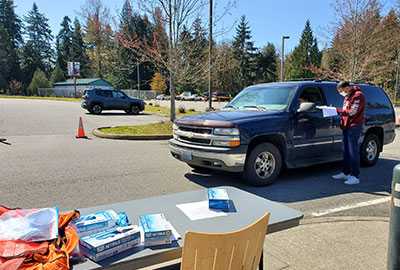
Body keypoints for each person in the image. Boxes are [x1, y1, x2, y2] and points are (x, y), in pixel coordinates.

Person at [332, 81, 365, 185]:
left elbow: (352, 112)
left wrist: (336, 111)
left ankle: (355, 176)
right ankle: (346, 172)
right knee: (345, 150)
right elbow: (345, 109)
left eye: (342, 91)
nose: (342, 93)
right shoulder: (347, 96)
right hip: (346, 125)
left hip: (355, 126)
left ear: (347, 87)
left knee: (353, 151)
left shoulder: (358, 96)